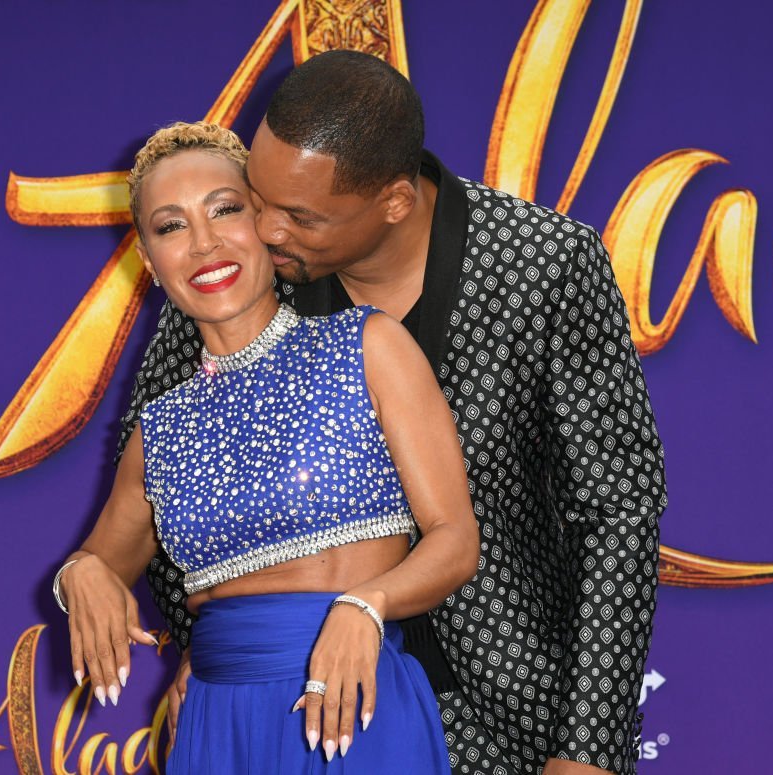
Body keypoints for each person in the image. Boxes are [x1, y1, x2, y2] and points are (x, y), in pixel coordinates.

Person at [114, 51, 668, 775]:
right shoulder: (237, 277)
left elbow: (618, 511)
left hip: (510, 714)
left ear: (395, 202)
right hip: (298, 713)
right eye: (257, 197)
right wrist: (214, 636)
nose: (264, 231)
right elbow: (165, 473)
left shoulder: (542, 266)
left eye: (300, 216)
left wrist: (587, 749)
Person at [52, 121, 480, 773]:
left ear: (267, 224)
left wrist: (368, 603)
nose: (204, 244)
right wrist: (78, 573)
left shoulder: (367, 346)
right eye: (171, 226)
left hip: (350, 703)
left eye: (226, 210)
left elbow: (455, 539)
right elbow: (100, 563)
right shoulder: (160, 429)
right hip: (216, 724)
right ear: (149, 258)